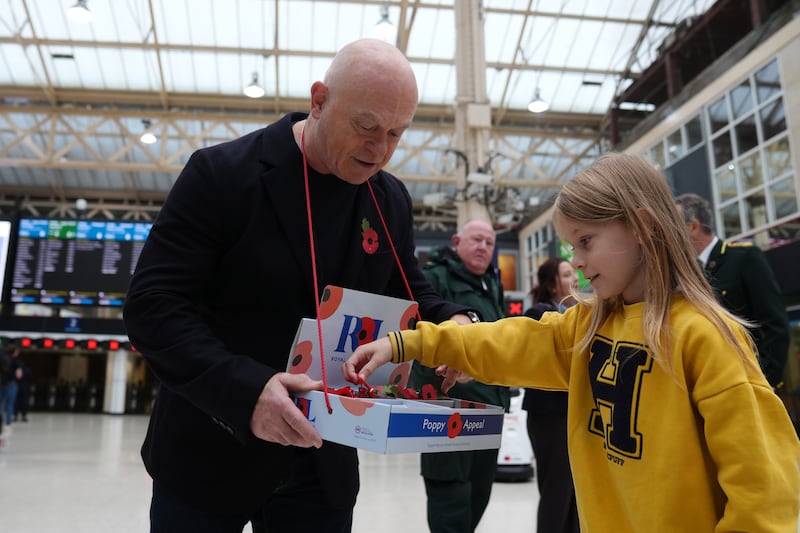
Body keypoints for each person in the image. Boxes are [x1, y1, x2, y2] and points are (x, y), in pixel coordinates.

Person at [122, 38, 474, 533]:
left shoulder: (389, 199)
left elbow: (412, 292)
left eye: (397, 133)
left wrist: (459, 324)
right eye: (366, 126)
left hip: (321, 464)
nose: (380, 150)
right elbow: (153, 306)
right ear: (318, 100)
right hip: (210, 448)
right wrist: (247, 391)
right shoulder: (222, 175)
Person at [345, 153, 800, 532]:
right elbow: (506, 340)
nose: (577, 262)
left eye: (585, 241)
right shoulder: (586, 328)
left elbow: (764, 491)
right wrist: (408, 344)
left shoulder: (706, 337)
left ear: (642, 226)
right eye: (570, 248)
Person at [412, 218, 510, 533]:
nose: (483, 247)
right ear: (456, 241)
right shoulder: (433, 279)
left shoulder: (492, 283)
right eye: (476, 239)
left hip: (488, 413)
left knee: (478, 496)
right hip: (448, 413)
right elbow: (418, 334)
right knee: (450, 499)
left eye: (490, 243)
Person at [674, 192, 790, 390]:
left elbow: (776, 325)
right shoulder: (686, 274)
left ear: (693, 227)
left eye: (674, 227)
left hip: (748, 385)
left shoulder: (744, 258)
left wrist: (762, 384)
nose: (670, 235)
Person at [522, 257, 580, 533]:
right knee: (557, 490)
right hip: (550, 415)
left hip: (574, 413)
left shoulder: (579, 312)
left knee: (577, 493)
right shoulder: (539, 314)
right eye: (567, 274)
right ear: (552, 285)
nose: (576, 278)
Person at [0, 345, 22, 431]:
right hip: (11, 384)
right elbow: (19, 375)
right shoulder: (16, 361)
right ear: (15, 352)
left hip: (1, 383)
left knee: (0, 403)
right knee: (10, 404)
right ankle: (8, 423)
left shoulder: (2, 359)